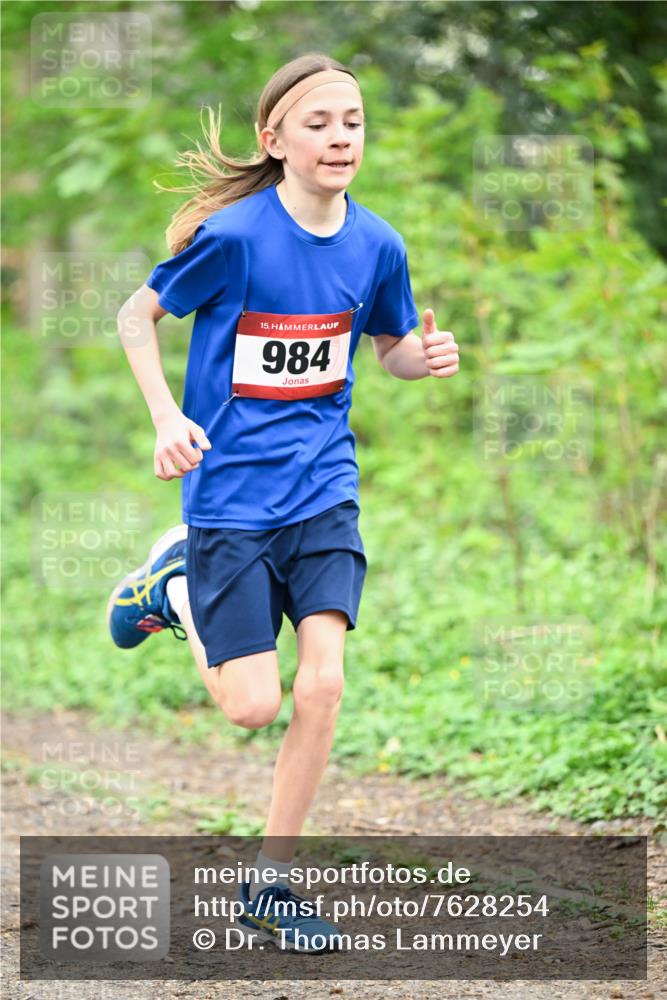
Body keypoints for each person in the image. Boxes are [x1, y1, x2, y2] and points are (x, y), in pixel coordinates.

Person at [108, 51, 459, 951]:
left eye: (353, 121)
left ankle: (271, 883)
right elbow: (135, 315)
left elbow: (386, 346)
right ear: (275, 139)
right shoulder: (233, 238)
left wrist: (421, 358)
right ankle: (173, 587)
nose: (341, 136)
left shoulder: (378, 243)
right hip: (228, 495)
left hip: (322, 487)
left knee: (324, 685)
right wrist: (164, 417)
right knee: (251, 708)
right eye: (319, 122)